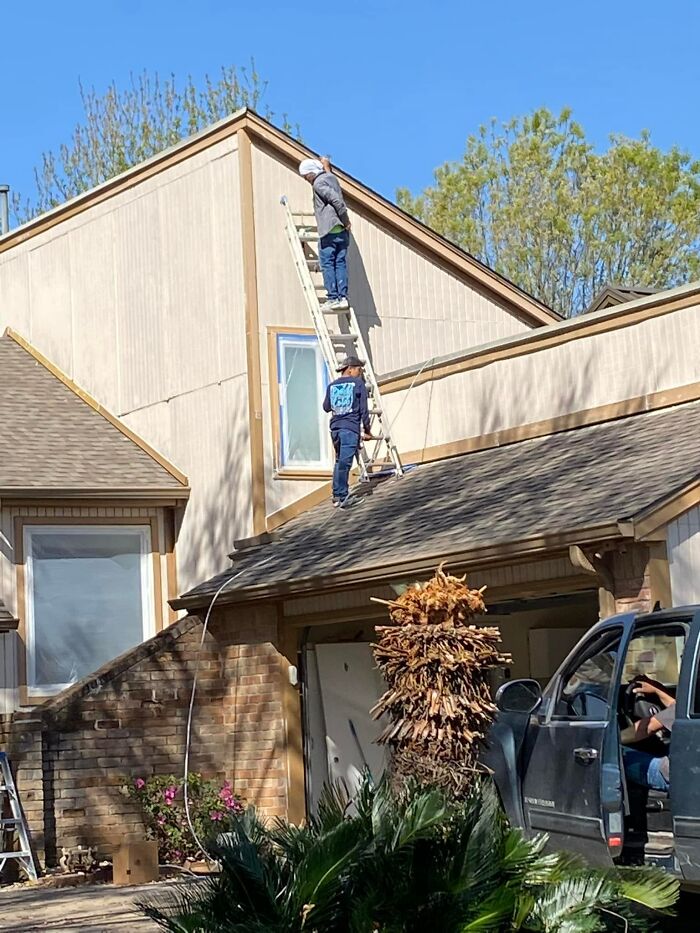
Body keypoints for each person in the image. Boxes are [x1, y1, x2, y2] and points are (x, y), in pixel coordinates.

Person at [298, 157, 352, 312]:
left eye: (306, 176)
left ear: (311, 173)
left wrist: (346, 219)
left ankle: (333, 298)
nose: (307, 180)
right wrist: (326, 164)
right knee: (340, 263)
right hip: (341, 231)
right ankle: (342, 297)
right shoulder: (331, 178)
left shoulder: (318, 183)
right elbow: (328, 174)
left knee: (327, 264)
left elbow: (336, 200)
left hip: (329, 229)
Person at [322, 355, 373, 508]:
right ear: (350, 369)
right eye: (359, 370)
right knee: (345, 462)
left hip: (335, 429)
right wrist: (367, 430)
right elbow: (364, 410)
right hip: (350, 428)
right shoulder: (358, 384)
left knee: (339, 461)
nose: (360, 373)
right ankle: (343, 497)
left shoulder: (332, 386)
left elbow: (326, 407)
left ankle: (337, 495)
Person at [620, 677, 675, 793]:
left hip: (674, 776)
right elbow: (678, 708)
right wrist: (656, 690)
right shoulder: (693, 706)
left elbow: (647, 727)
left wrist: (612, 739)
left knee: (616, 756)